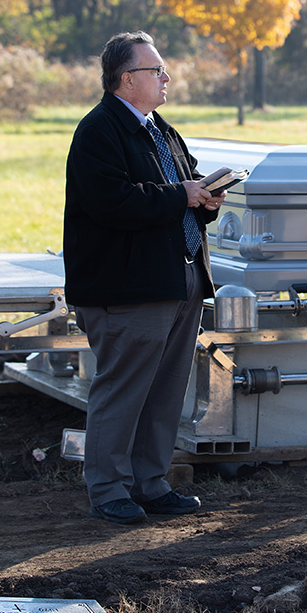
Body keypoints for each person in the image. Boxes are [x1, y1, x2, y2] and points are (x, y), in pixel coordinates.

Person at [63, 31, 224, 524]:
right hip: (128, 288)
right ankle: (109, 489)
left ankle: (150, 483)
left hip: (178, 280)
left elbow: (184, 186)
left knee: (166, 389)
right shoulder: (99, 131)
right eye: (156, 71)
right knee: (124, 388)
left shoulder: (161, 129)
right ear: (125, 79)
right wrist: (184, 195)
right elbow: (115, 203)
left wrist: (208, 200)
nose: (166, 77)